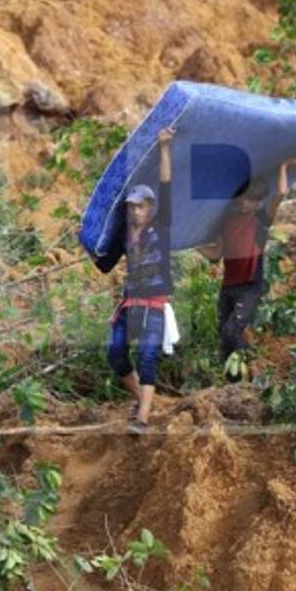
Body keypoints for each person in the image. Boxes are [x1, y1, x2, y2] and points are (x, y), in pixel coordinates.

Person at [198, 154, 296, 382]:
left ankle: (256, 373)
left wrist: (284, 166)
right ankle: (233, 385)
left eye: (252, 200)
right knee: (224, 336)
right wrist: (194, 246)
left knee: (232, 331)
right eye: (244, 199)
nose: (246, 203)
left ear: (258, 202)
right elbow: (216, 254)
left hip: (250, 287)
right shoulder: (228, 220)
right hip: (228, 287)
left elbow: (280, 195)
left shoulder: (260, 221)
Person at [108, 127, 176, 434]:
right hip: (129, 303)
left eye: (140, 206)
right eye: (131, 206)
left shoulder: (161, 228)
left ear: (150, 208)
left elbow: (166, 185)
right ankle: (145, 400)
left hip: (154, 305)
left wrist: (164, 149)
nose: (135, 210)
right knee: (116, 354)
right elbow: (103, 257)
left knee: (147, 356)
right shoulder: (124, 235)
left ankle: (142, 418)